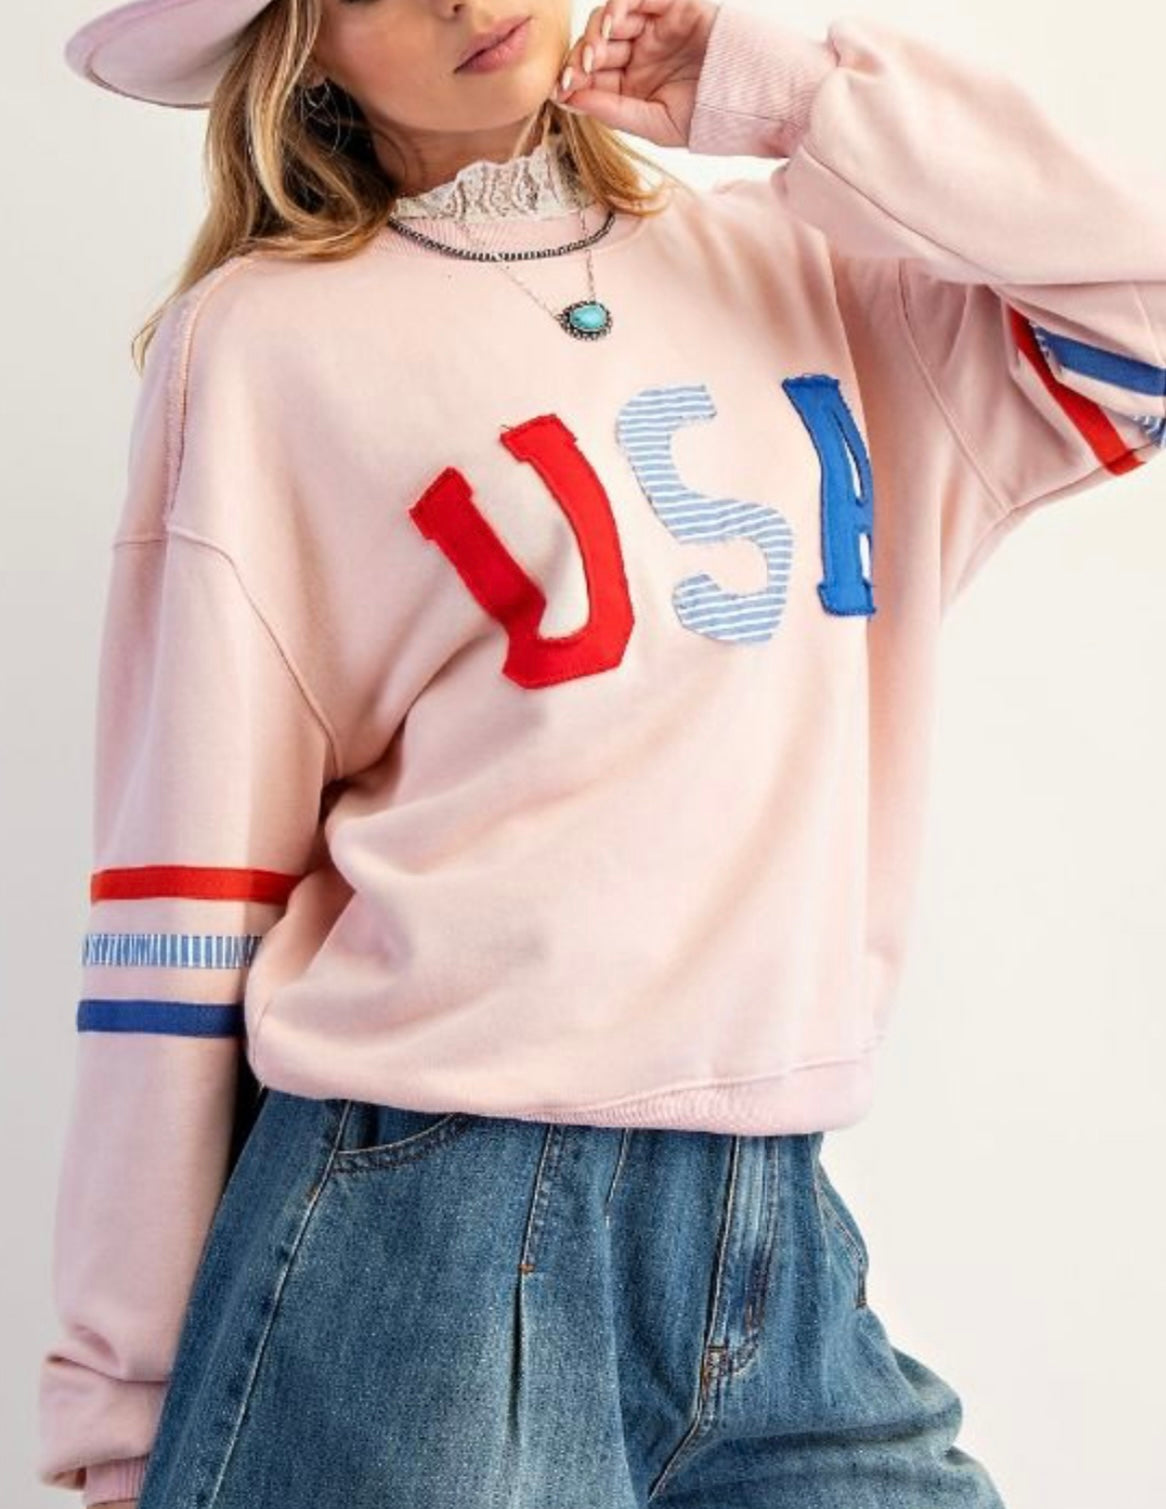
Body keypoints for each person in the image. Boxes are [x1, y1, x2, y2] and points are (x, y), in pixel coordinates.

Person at [36, 1, 1166, 1506]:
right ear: (299, 46)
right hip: (423, 1231)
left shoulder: (805, 268)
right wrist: (125, 1386)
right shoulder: (263, 341)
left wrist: (790, 100)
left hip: (775, 1236)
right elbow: (186, 873)